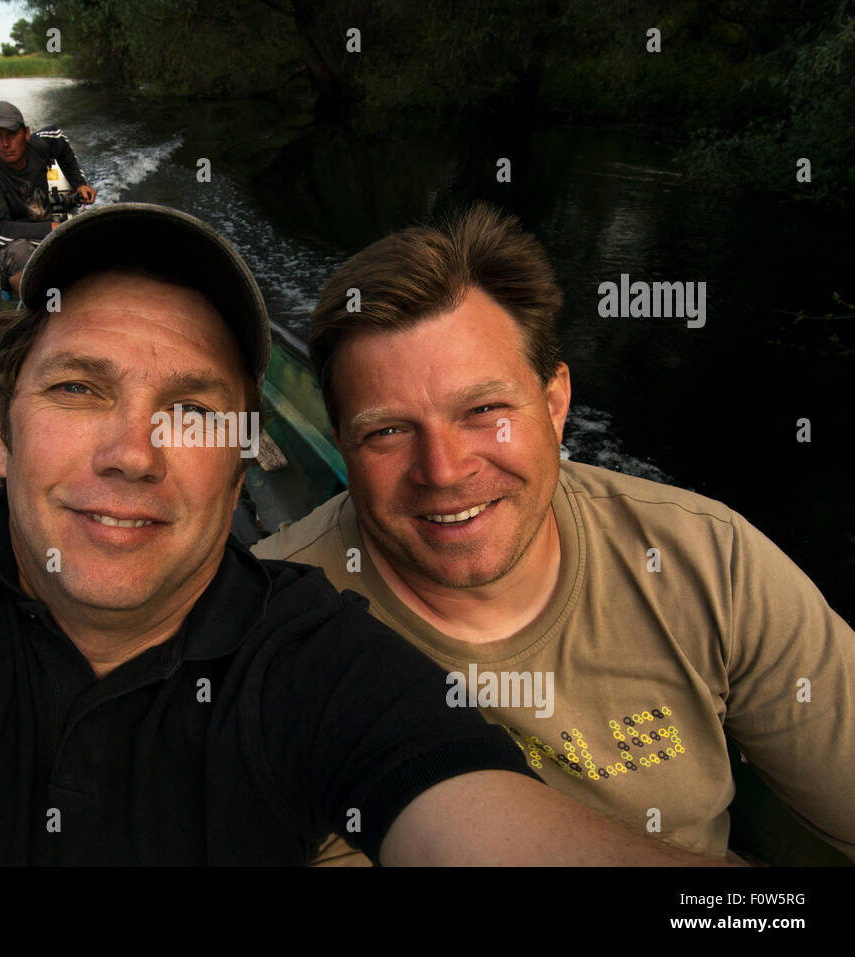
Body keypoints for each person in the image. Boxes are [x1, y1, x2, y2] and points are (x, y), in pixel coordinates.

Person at [0, 205, 729, 867]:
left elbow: (493, 833)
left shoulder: (320, 660)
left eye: (190, 409)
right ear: (1, 435)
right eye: (77, 388)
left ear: (246, 450)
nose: (133, 449)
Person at [252, 202, 855, 865]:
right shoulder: (266, 628)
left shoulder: (709, 562)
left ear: (555, 402)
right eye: (388, 430)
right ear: (342, 442)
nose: (445, 471)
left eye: (484, 409)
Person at [0, 99, 97, 294]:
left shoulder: (40, 145)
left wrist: (79, 183)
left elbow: (59, 137)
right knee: (23, 253)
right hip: (5, 251)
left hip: (42, 228)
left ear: (26, 133)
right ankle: (33, 314)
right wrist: (51, 229)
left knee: (90, 240)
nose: (5, 144)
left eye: (12, 134)